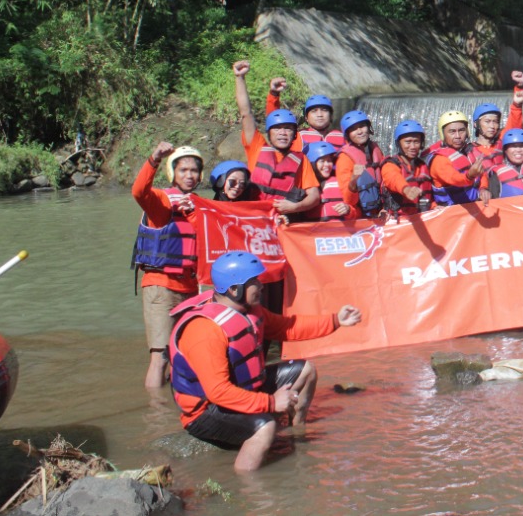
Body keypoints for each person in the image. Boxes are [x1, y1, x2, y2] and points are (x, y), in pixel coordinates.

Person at [168, 251, 362, 471]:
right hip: (206, 411)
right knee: (265, 427)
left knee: (306, 370)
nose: (261, 286)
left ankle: (296, 433)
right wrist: (271, 403)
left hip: (242, 392)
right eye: (255, 282)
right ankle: (250, 492)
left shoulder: (248, 311)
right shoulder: (204, 331)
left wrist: (335, 321)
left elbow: (287, 326)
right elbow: (218, 392)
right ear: (235, 289)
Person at [131, 142, 203, 388]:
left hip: (190, 289)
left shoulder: (199, 206)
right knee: (160, 356)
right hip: (161, 287)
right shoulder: (161, 201)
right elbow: (139, 191)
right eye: (183, 170)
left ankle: (177, 407)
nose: (190, 175)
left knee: (182, 355)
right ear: (173, 173)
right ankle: (156, 416)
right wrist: (154, 158)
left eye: (194, 170)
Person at [233, 61, 320, 219]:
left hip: (280, 220)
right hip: (253, 218)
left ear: (294, 134)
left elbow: (314, 196)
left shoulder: (300, 160)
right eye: (278, 129)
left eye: (288, 129)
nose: (282, 133)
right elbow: (246, 112)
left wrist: (295, 207)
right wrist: (240, 77)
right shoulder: (257, 146)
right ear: (269, 133)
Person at [429, 110, 487, 206]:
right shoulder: (439, 160)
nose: (458, 136)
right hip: (450, 214)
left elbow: (482, 174)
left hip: (473, 209)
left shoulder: (471, 152)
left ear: (467, 132)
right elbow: (454, 179)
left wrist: (483, 188)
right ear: (443, 134)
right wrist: (469, 176)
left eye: (461, 130)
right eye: (452, 132)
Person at [334, 110, 384, 219]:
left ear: (368, 127)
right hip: (360, 215)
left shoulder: (375, 149)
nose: (360, 131)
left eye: (362, 126)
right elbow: (348, 200)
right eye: (353, 129)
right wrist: (353, 180)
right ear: (347, 135)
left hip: (381, 211)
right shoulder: (345, 158)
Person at [381, 120, 434, 217]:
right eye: (408, 142)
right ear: (399, 143)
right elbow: (394, 179)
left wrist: (436, 207)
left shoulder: (423, 166)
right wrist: (406, 189)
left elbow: (429, 200)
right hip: (399, 222)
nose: (413, 146)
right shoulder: (390, 165)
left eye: (416, 142)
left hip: (421, 219)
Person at [265, 87, 344, 151]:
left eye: (324, 110)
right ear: (306, 117)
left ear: (331, 116)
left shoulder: (342, 137)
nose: (319, 115)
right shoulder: (298, 137)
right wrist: (274, 95)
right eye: (314, 111)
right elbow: (275, 119)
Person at [304, 142, 350, 221]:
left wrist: (349, 209)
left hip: (338, 231)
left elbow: (357, 211)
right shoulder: (302, 185)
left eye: (329, 161)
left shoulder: (340, 182)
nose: (327, 165)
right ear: (312, 164)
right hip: (313, 231)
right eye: (322, 161)